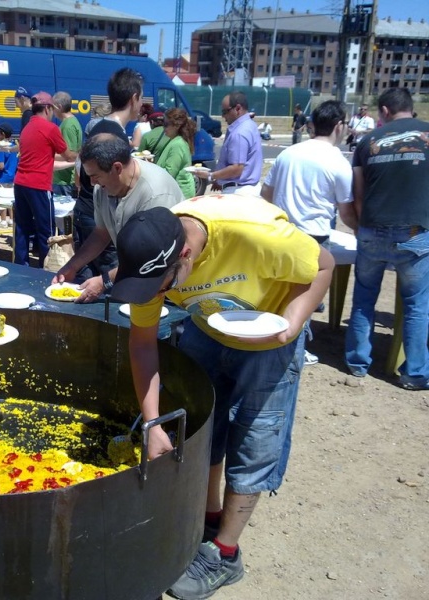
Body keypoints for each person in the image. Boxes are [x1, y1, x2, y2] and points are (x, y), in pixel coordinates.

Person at [109, 200, 333, 599]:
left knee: (255, 438)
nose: (157, 296)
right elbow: (142, 344)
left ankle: (226, 554)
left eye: (163, 288)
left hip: (269, 338)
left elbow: (324, 264)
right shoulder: (153, 255)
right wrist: (153, 421)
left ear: (186, 254)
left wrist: (293, 321)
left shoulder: (255, 235)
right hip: (206, 329)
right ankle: (209, 519)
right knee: (203, 428)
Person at [345, 88, 429, 390]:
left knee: (364, 298)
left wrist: (360, 227)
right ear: (411, 108)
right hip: (416, 232)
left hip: (372, 228)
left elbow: (358, 192)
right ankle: (415, 372)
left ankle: (357, 362)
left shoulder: (367, 141)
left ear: (383, 111)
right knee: (417, 304)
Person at [262, 99, 355, 366]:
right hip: (314, 236)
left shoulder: (289, 153)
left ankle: (274, 341)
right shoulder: (338, 162)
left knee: (279, 291)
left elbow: (266, 194)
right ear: (338, 126)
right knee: (305, 299)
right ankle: (295, 349)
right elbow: (346, 211)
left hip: (281, 231)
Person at [52, 133, 184, 302]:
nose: (92, 183)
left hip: (166, 285)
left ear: (117, 168)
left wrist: (104, 281)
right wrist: (72, 266)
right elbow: (101, 233)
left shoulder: (156, 194)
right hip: (136, 276)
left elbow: (155, 258)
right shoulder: (103, 187)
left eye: (95, 176)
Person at [73, 67, 142, 281]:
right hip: (99, 217)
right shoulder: (115, 137)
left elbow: (78, 167)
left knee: (88, 280)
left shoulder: (97, 126)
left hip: (85, 211)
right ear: (134, 98)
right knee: (105, 285)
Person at [13, 91, 78, 267]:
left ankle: (21, 264)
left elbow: (43, 154)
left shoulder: (27, 127)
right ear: (48, 108)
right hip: (39, 185)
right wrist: (81, 154)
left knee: (22, 228)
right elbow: (69, 156)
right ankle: (46, 266)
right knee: (45, 230)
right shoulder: (51, 129)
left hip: (20, 183)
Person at [193, 90, 262, 195]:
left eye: (225, 112)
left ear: (238, 109)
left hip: (238, 192)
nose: (223, 116)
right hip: (245, 189)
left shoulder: (239, 133)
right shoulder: (249, 125)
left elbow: (237, 168)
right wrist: (220, 181)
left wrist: (210, 175)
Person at [156, 107, 196, 199]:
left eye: (166, 124)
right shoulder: (178, 141)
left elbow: (169, 173)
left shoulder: (177, 144)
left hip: (179, 194)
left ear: (177, 126)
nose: (163, 127)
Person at [51, 91, 83, 198]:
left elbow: (70, 156)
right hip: (64, 180)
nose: (51, 110)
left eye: (53, 107)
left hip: (64, 181)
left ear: (59, 107)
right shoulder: (71, 122)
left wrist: (48, 155)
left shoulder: (68, 126)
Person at [0, 122, 17, 228]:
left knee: (1, 199)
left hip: (2, 178)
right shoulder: (14, 146)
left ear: (2, 134)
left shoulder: (1, 147)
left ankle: (3, 220)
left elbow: (1, 165)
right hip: (12, 177)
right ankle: (11, 219)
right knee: (11, 199)